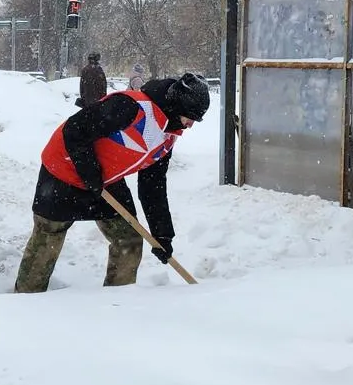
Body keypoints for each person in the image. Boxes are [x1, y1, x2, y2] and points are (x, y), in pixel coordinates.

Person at [14, 72, 209, 293]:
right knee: (48, 238)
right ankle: (25, 301)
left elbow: (153, 186)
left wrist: (162, 233)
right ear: (176, 105)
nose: (191, 125)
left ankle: (116, 304)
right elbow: (74, 129)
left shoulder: (168, 135)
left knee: (129, 240)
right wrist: (89, 173)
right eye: (190, 117)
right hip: (63, 171)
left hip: (105, 181)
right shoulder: (131, 106)